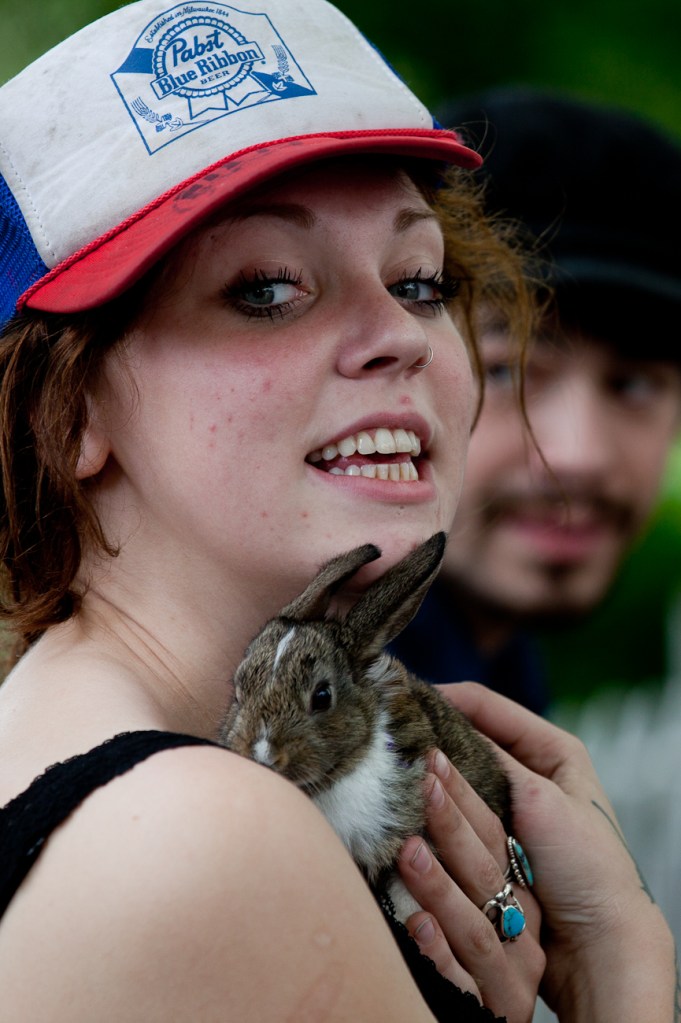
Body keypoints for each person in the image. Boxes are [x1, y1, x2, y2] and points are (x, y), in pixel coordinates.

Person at [0, 5, 674, 1020]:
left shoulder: (74, 753)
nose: (398, 336)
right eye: (267, 289)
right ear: (69, 415)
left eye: (419, 281)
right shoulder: (209, 836)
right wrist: (624, 973)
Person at [392, 88, 681, 717]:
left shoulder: (498, 676)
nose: (578, 456)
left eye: (634, 385)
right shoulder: (276, 719)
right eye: (510, 372)